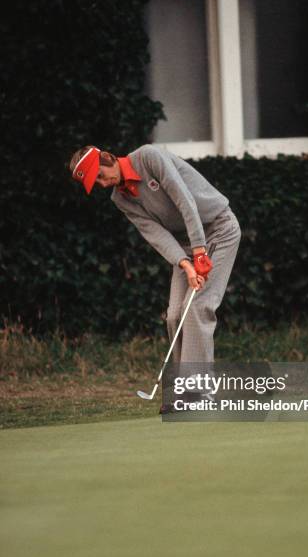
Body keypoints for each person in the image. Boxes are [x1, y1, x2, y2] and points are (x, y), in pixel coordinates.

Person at [69, 144, 241, 383]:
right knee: (173, 316)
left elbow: (184, 199)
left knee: (197, 307)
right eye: (96, 183)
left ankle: (197, 388)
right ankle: (185, 386)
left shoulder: (149, 157)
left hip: (218, 230)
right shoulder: (120, 198)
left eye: (100, 176)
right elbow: (155, 234)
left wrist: (200, 251)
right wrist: (185, 264)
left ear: (108, 158)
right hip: (185, 246)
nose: (103, 183)